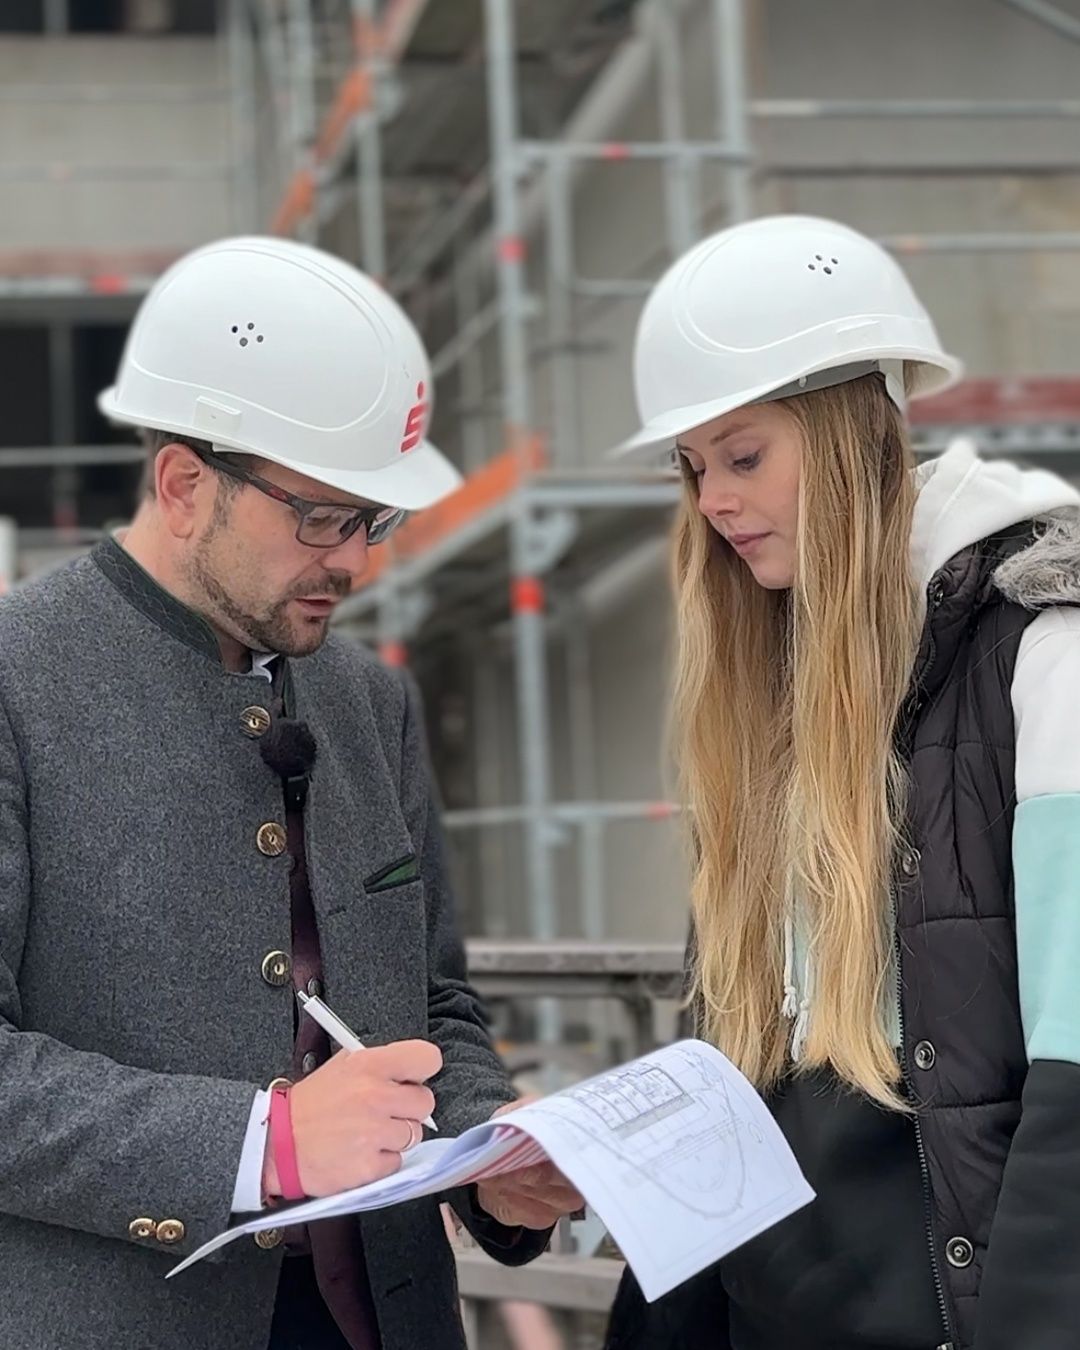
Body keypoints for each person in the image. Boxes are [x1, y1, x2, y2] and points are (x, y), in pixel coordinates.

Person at [0, 235, 582, 1350]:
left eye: (373, 520)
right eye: (320, 516)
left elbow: (433, 1004)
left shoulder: (371, 700)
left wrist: (493, 1152)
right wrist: (257, 1139)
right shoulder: (18, 682)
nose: (354, 561)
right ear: (182, 485)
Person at [603, 215, 1080, 1350]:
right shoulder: (773, 671)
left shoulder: (1041, 649)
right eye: (694, 468)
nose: (714, 501)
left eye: (744, 453)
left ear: (850, 426)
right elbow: (743, 1057)